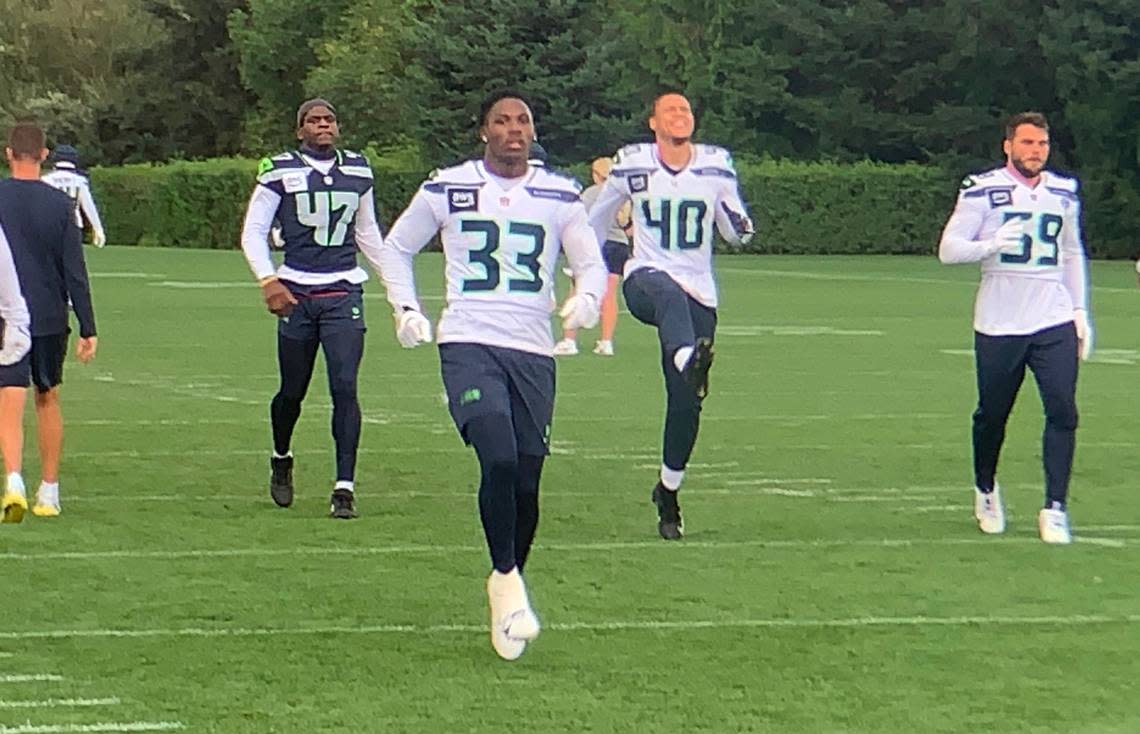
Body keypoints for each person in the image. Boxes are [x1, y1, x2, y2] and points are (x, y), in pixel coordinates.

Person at [377, 90, 606, 660]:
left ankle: (509, 586)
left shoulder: (559, 193)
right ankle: (505, 578)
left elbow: (590, 263)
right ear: (484, 131)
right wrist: (405, 307)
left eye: (523, 119)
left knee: (527, 480)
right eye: (501, 120)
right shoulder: (448, 186)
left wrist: (586, 298)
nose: (513, 129)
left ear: (533, 129)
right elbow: (395, 247)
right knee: (498, 455)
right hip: (469, 340)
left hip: (532, 350)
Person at [587, 92, 754, 541]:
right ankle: (687, 358)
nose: (680, 115)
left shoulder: (715, 165)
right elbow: (594, 216)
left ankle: (668, 490)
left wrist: (738, 224)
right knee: (666, 294)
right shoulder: (633, 162)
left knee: (686, 404)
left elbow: (735, 228)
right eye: (670, 110)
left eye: (685, 110)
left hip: (699, 287)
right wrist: (583, 272)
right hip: (646, 279)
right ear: (653, 122)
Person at [938, 111, 1091, 545]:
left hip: (1052, 315)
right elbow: (948, 250)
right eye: (1026, 143)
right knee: (993, 414)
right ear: (1008, 146)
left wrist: (1080, 310)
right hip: (1000, 318)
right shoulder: (982, 189)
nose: (1035, 151)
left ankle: (1055, 506)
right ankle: (986, 489)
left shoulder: (1063, 190)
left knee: (1063, 408)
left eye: (1041, 144)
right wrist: (989, 245)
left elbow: (1072, 252)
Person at [239, 98, 387, 520]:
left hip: (343, 291)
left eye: (329, 119)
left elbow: (368, 232)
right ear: (299, 129)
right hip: (297, 292)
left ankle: (344, 487)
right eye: (313, 120)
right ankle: (281, 455)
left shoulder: (358, 169)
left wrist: (398, 290)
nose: (323, 125)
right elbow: (253, 230)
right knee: (292, 391)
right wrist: (269, 279)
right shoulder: (280, 169)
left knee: (345, 386)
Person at [0, 123, 98, 522]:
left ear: (9, 153)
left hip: (5, 314)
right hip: (48, 314)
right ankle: (49, 491)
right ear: (43, 156)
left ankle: (14, 481)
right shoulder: (61, 205)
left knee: (8, 399)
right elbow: (74, 270)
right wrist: (89, 326)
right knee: (47, 397)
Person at [553, 156, 633, 356]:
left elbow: (582, 223)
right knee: (609, 294)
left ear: (596, 175)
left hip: (596, 244)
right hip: (619, 245)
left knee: (577, 290)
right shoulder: (624, 195)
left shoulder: (590, 194)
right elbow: (629, 227)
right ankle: (606, 342)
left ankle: (569, 340)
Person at [41, 145, 107, 248]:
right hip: (74, 225)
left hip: (51, 225)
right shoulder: (80, 181)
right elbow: (89, 206)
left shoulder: (46, 180)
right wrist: (98, 228)